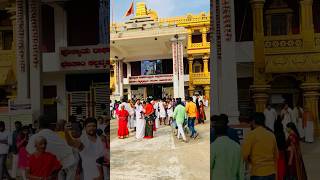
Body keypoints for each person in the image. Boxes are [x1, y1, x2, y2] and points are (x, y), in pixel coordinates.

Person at [26, 115, 76, 180]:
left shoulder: (34, 138)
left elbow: (29, 154)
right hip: (57, 172)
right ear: (53, 125)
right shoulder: (59, 137)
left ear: (39, 125)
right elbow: (69, 155)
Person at [242, 112, 278, 180]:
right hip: (271, 172)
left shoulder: (251, 135)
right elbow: (276, 155)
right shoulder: (271, 135)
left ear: (253, 121)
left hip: (257, 172)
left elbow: (244, 155)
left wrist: (250, 162)